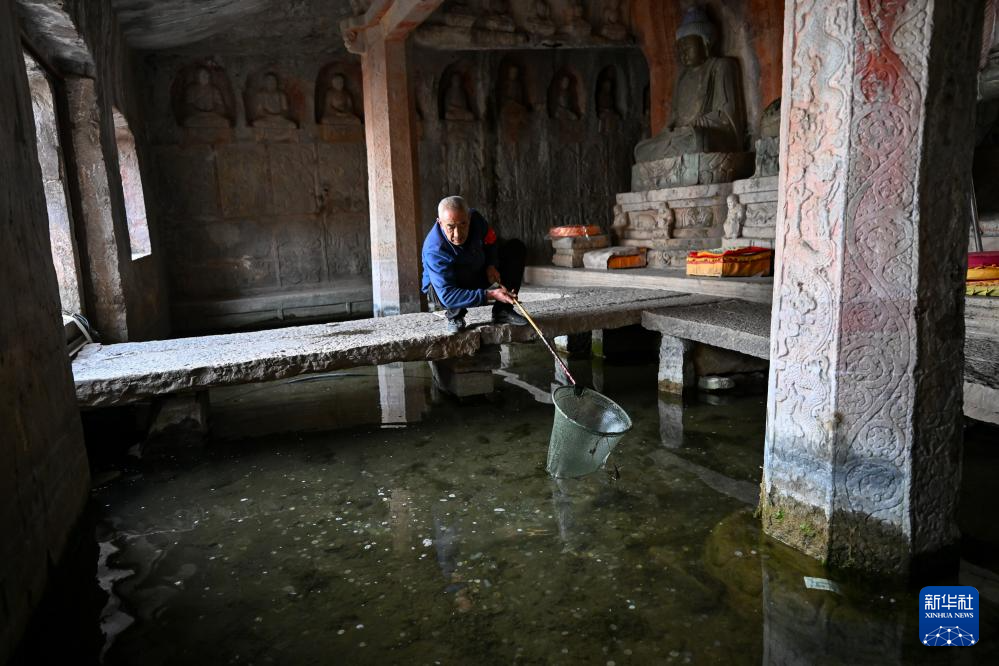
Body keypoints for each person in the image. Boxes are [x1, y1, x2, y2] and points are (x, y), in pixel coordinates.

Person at [421, 196, 527, 333]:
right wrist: (491, 294)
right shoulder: (434, 249)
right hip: (443, 289)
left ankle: (503, 310)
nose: (457, 234)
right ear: (440, 223)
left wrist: (491, 264)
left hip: (475, 270)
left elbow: (491, 240)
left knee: (516, 248)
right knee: (454, 279)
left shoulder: (476, 219)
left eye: (463, 224)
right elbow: (447, 295)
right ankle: (455, 316)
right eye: (450, 227)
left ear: (469, 218)